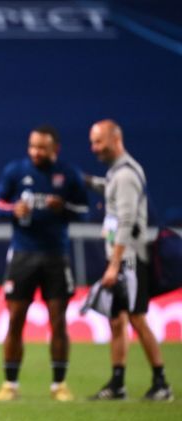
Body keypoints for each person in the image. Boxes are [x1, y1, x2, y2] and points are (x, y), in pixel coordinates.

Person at [0, 125, 89, 402]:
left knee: (58, 321)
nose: (36, 152)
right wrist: (13, 210)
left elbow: (84, 211)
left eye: (42, 147)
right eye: (32, 146)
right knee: (15, 320)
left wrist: (64, 208)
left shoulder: (68, 174)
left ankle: (59, 385)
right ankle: (10, 384)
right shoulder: (15, 171)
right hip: (23, 255)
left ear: (54, 149)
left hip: (56, 255)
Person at [85, 119, 173, 401]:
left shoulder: (125, 175)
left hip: (130, 260)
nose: (94, 148)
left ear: (115, 139)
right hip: (123, 259)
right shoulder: (118, 174)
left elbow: (125, 220)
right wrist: (87, 182)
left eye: (99, 141)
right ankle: (118, 382)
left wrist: (115, 264)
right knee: (117, 320)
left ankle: (161, 383)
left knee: (137, 318)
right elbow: (111, 190)